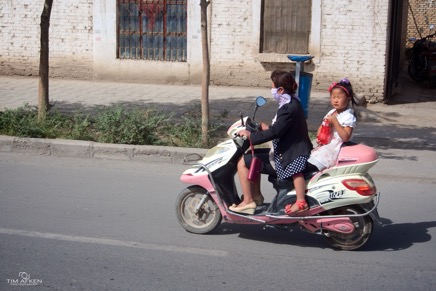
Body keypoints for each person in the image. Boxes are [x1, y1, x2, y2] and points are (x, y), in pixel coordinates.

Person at [229, 69, 313, 215]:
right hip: (287, 149)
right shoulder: (292, 102)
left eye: (273, 87)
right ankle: (256, 196)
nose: (272, 90)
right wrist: (264, 127)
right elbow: (281, 128)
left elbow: (275, 133)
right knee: (252, 155)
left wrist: (251, 136)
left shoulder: (288, 108)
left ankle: (248, 200)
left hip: (288, 156)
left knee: (243, 161)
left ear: (280, 89)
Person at [304, 77, 358, 173]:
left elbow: (346, 137)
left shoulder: (348, 116)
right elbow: (322, 126)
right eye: (333, 97)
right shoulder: (332, 112)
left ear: (348, 99)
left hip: (334, 148)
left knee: (310, 166)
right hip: (325, 144)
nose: (335, 100)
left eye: (339, 97)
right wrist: (320, 134)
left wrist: (335, 122)